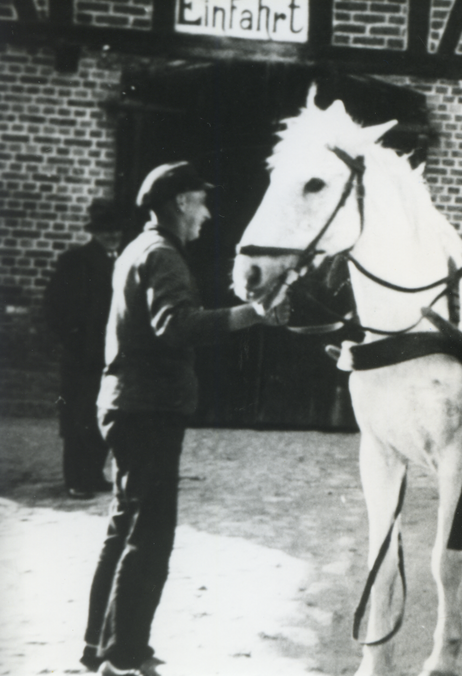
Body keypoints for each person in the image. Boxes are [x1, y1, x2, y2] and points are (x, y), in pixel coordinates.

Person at [80, 162, 288, 676]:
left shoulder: (138, 249)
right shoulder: (164, 256)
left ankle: (100, 645)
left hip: (129, 405)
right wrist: (254, 314)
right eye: (201, 201)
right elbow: (177, 326)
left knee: (125, 526)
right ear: (179, 204)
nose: (207, 214)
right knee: (148, 534)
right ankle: (123, 655)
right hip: (147, 410)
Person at [43, 199, 122, 498]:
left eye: (115, 230)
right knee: (78, 416)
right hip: (82, 355)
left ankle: (94, 473)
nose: (112, 235)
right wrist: (73, 338)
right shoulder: (75, 260)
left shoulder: (122, 261)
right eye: (105, 230)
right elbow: (53, 306)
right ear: (94, 232)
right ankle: (76, 479)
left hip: (111, 352)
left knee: (105, 412)